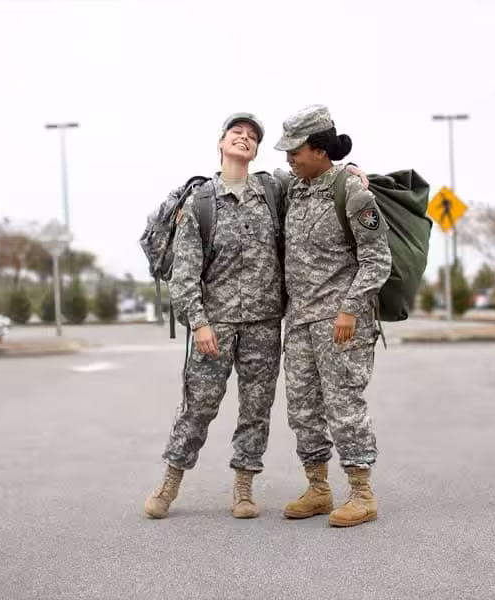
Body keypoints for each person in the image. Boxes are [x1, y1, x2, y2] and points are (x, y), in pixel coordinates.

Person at [144, 112, 286, 520]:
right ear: (221, 144)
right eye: (237, 133)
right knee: (198, 407)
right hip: (215, 325)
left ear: (256, 150)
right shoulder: (201, 202)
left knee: (256, 409)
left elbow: (314, 176)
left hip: (263, 323)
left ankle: (243, 489)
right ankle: (169, 484)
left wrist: (353, 170)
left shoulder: (272, 192)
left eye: (252, 137)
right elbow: (184, 273)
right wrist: (200, 323)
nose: (245, 139)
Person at [275, 105, 391, 527]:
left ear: (321, 149)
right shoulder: (296, 189)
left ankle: (362, 494)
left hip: (341, 322)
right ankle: (318, 488)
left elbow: (377, 259)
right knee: (302, 408)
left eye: (296, 149)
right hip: (301, 320)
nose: (289, 157)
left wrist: (350, 308)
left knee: (344, 405)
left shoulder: (354, 192)